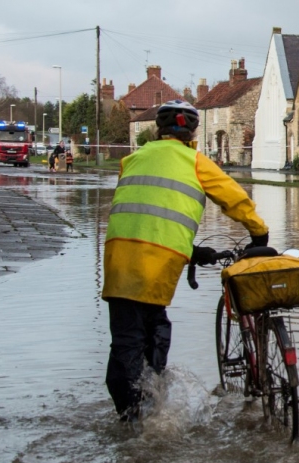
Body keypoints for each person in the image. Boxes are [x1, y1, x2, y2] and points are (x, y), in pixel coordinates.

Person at [102, 99, 270, 422]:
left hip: (118, 263)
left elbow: (144, 216)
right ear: (192, 133)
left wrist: (191, 251)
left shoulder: (131, 160)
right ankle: (146, 416)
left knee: (127, 341)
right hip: (156, 269)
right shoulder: (195, 162)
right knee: (152, 337)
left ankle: (133, 416)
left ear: (158, 131)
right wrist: (259, 234)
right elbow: (234, 198)